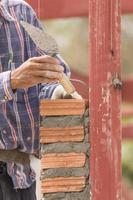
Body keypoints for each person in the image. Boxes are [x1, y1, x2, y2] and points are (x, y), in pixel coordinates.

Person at [0, 0, 78, 199]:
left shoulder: (21, 12)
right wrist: (11, 80)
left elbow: (48, 76)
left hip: (20, 175)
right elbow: (16, 79)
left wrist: (58, 91)